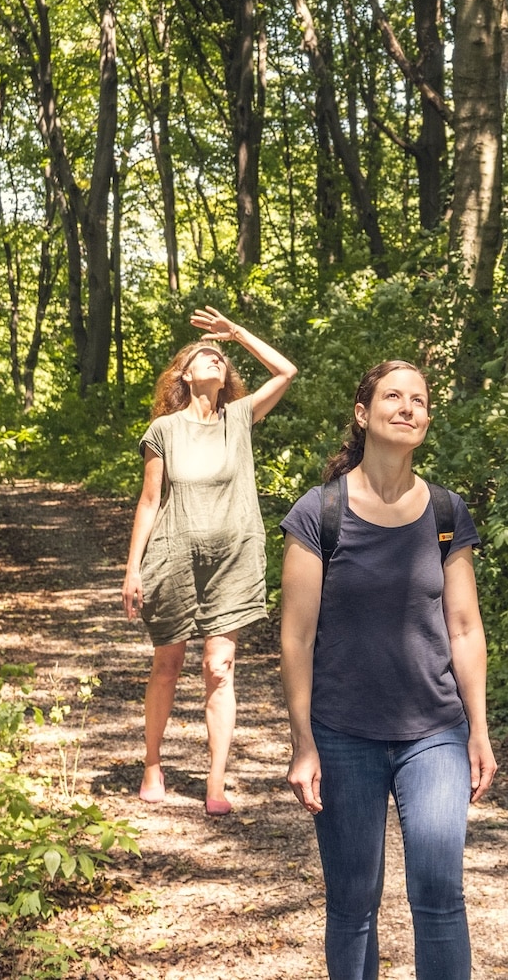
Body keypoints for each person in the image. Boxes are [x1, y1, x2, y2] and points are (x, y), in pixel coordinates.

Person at [280, 360, 497, 980]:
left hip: (434, 732)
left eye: (419, 400)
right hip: (343, 732)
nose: (407, 408)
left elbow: (464, 627)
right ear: (363, 412)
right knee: (352, 904)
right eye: (393, 397)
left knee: (439, 897)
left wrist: (477, 731)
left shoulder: (446, 511)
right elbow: (294, 637)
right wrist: (303, 742)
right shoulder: (320, 511)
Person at [121, 307, 297, 814]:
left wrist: (235, 334)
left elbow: (285, 372)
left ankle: (215, 782)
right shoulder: (164, 430)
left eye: (222, 359)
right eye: (206, 356)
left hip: (232, 558)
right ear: (185, 374)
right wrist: (133, 569)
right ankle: (153, 763)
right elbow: (149, 501)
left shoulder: (238, 419)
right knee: (168, 663)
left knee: (219, 667)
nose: (216, 361)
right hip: (172, 557)